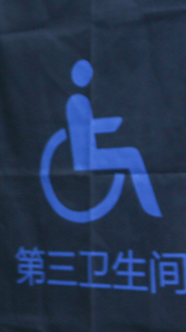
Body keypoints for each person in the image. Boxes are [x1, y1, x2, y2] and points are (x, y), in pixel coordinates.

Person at [64, 59, 162, 217]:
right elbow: (83, 130)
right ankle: (150, 207)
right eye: (84, 73)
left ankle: (150, 207)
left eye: (88, 73)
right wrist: (112, 124)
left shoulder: (80, 100)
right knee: (132, 155)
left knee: (131, 154)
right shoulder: (77, 101)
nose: (88, 76)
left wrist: (114, 123)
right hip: (85, 158)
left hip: (91, 153)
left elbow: (88, 128)